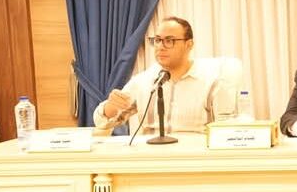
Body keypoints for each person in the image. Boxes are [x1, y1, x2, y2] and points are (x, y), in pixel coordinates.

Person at [93, 16, 234, 134]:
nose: (160, 47)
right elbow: (101, 123)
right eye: (157, 40)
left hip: (194, 156)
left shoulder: (212, 82)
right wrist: (110, 107)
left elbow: (227, 131)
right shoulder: (142, 82)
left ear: (189, 44)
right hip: (151, 156)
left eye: (169, 41)